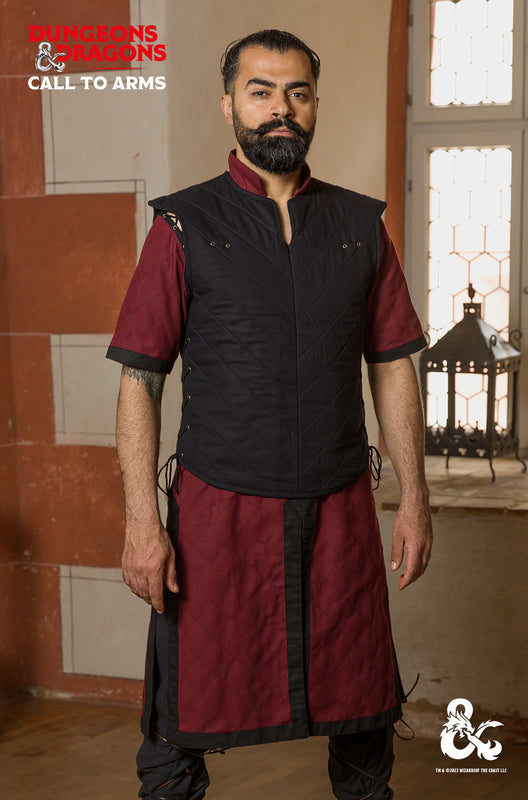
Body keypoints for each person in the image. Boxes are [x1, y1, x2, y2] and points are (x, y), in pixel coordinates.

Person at [107, 29, 432, 800]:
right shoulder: (182, 224)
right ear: (229, 105)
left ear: (313, 104)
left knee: (361, 711)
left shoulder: (360, 225)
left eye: (296, 92)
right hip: (217, 511)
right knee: (180, 718)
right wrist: (142, 523)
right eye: (260, 92)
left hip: (339, 505)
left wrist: (415, 500)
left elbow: (391, 365)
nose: (280, 108)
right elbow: (140, 381)